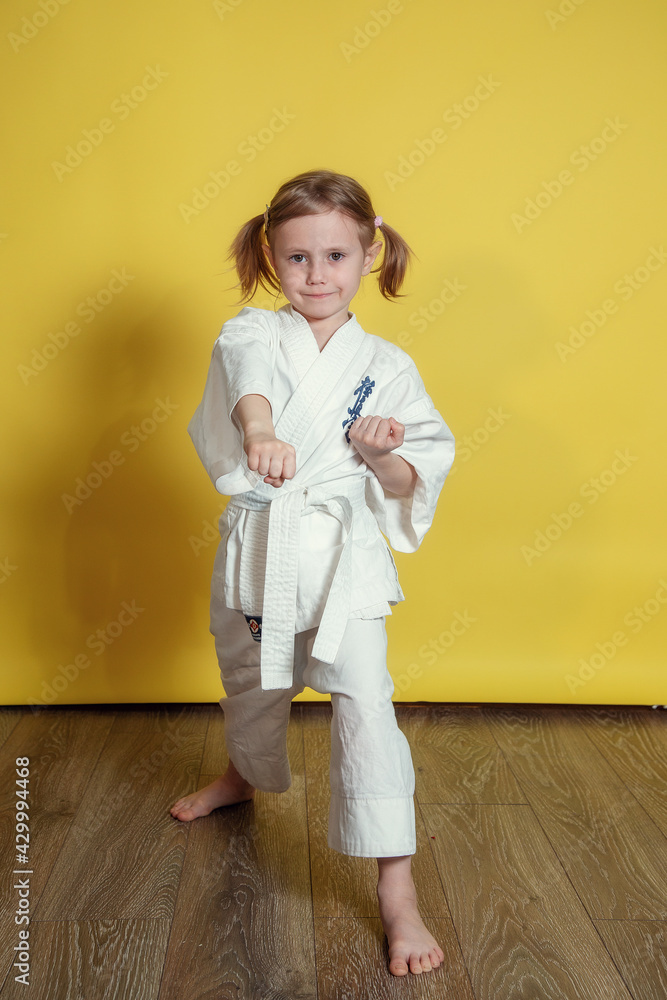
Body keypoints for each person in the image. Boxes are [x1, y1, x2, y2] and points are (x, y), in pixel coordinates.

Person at [170, 168, 455, 977]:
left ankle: (396, 894)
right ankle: (241, 773)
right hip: (264, 543)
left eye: (335, 254)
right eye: (296, 258)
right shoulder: (250, 334)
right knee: (252, 683)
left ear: (370, 253)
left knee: (366, 706)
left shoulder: (388, 365)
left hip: (345, 560)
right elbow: (248, 395)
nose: (316, 275)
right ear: (271, 257)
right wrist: (260, 434)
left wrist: (381, 456)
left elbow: (411, 484)